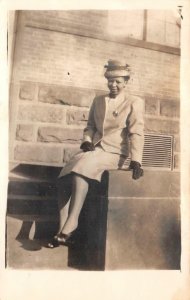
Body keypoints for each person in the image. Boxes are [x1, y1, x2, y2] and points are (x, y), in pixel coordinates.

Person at [47, 59, 144, 248]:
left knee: (81, 169)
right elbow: (90, 126)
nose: (113, 85)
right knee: (64, 176)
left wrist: (136, 160)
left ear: (126, 82)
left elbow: (136, 132)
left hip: (116, 153)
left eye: (118, 81)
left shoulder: (134, 102)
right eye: (110, 81)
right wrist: (87, 141)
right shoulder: (98, 101)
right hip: (96, 150)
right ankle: (62, 231)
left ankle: (72, 221)